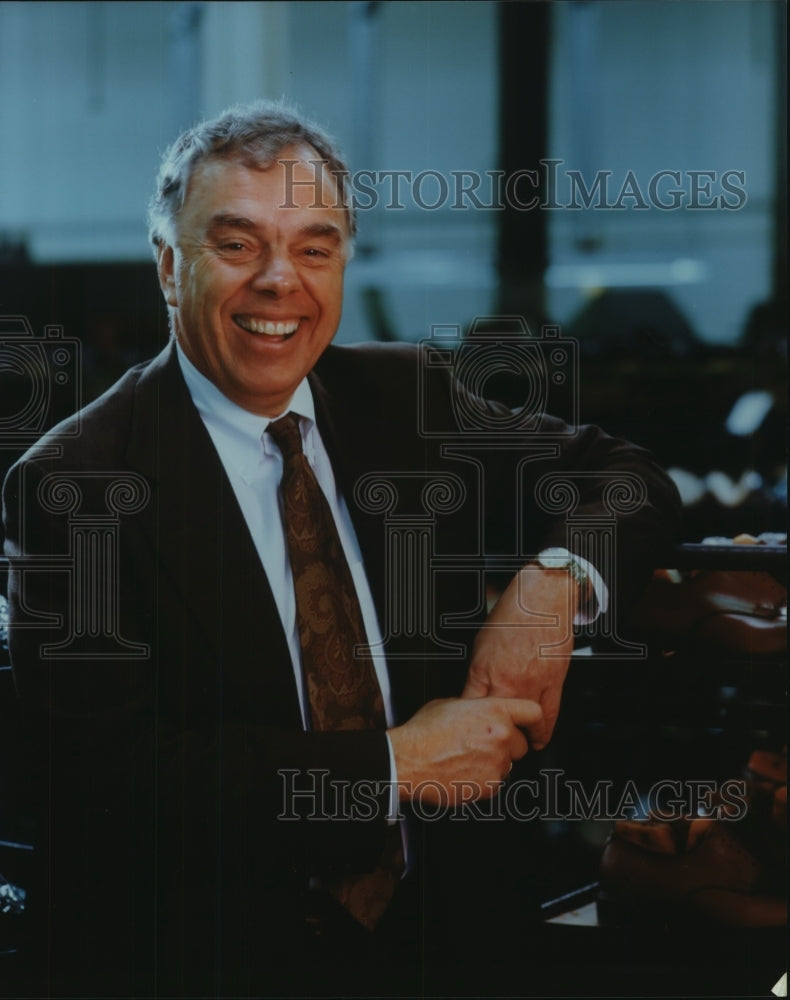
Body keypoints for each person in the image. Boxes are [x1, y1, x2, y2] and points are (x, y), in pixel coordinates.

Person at [2, 101, 680, 997]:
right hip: (211, 956)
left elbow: (625, 475)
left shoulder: (409, 397)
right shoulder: (74, 484)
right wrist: (398, 764)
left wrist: (553, 586)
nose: (281, 281)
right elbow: (109, 781)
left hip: (445, 943)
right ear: (171, 267)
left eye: (314, 248)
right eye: (237, 244)